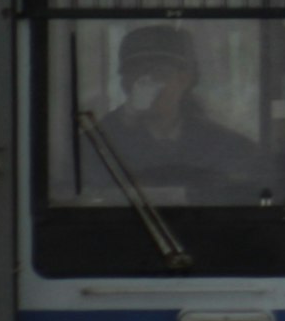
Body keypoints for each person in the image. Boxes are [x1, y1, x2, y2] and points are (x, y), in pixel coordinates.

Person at [98, 22, 267, 200]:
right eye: (139, 76)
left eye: (160, 74)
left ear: (184, 80)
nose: (150, 87)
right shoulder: (101, 146)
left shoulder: (229, 149)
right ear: (125, 84)